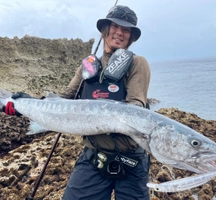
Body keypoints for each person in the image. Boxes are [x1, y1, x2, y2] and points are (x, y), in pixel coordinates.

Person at [3, 5, 151, 200]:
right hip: (93, 157)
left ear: (131, 36)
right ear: (105, 29)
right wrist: (28, 104)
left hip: (131, 161)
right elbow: (64, 101)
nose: (119, 33)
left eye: (126, 29)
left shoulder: (137, 63)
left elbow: (136, 110)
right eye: (115, 26)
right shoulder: (88, 66)